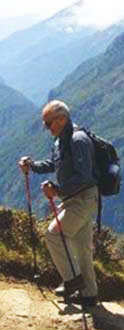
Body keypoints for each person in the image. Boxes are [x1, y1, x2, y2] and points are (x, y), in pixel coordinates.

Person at [19, 100, 99, 309]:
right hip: (76, 199)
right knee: (83, 248)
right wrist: (33, 165)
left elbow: (85, 177)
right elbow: (55, 164)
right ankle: (89, 295)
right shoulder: (61, 140)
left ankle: (72, 280)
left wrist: (57, 190)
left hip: (82, 199)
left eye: (48, 123)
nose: (46, 128)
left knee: (54, 234)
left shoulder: (77, 140)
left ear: (62, 119)